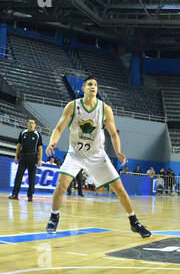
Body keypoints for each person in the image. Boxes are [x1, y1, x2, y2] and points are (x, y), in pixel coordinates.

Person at [43, 77, 151, 238]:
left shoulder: (105, 109)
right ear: (83, 88)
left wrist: (118, 151)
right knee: (61, 186)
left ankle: (134, 222)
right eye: (90, 84)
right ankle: (54, 216)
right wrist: (53, 142)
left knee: (120, 190)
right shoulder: (73, 106)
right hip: (76, 154)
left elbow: (114, 134)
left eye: (95, 85)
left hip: (97, 155)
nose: (93, 87)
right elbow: (59, 128)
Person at [11, 118, 43, 201]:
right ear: (27, 124)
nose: (31, 124)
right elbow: (19, 145)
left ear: (35, 125)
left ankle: (30, 196)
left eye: (32, 123)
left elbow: (40, 148)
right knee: (18, 176)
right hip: (23, 157)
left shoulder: (37, 134)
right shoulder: (23, 133)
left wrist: (40, 159)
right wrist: (16, 156)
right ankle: (15, 194)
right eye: (29, 123)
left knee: (31, 178)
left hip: (33, 158)